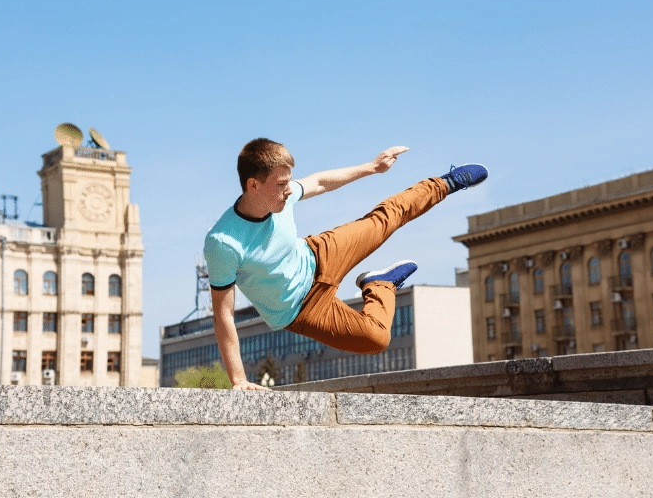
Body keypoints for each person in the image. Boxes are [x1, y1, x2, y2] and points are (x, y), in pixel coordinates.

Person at [203, 138, 488, 390]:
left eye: (289, 181)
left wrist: (372, 167)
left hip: (317, 256)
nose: (289, 190)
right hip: (303, 310)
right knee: (376, 339)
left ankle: (446, 183)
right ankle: (380, 284)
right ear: (253, 185)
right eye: (281, 185)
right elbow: (223, 315)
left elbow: (320, 182)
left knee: (383, 220)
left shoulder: (282, 196)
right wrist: (239, 380)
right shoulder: (223, 242)